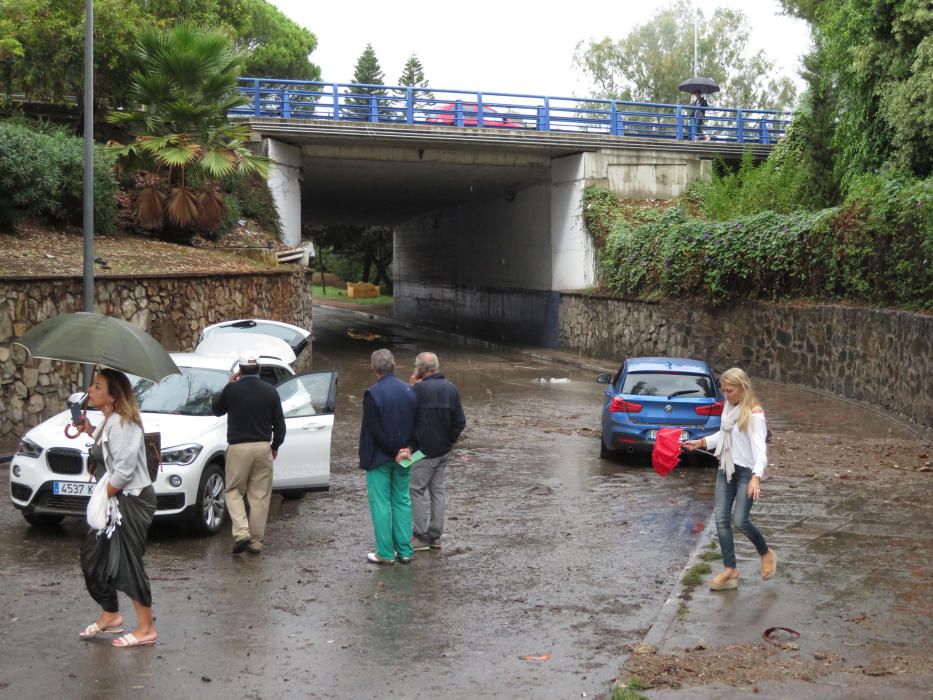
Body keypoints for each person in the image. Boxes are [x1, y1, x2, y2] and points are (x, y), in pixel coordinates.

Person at [78, 368, 158, 648]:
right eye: (92, 386)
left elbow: (124, 471)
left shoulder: (122, 422)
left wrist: (105, 494)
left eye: (97, 386)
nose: (90, 390)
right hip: (117, 497)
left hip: (131, 499)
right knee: (93, 557)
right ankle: (111, 614)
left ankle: (146, 628)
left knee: (127, 561)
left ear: (113, 396)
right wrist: (89, 430)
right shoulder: (109, 421)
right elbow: (111, 454)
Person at [684, 367, 776, 590]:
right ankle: (730, 570)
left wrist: (756, 477)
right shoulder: (729, 407)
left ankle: (765, 552)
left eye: (730, 391)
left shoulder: (754, 415)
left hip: (746, 473)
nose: (726, 395)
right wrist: (701, 443)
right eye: (723, 390)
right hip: (726, 468)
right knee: (721, 519)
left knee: (740, 520)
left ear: (742, 388)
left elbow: (760, 450)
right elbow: (723, 434)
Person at [211, 353, 286, 555]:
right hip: (263, 447)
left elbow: (216, 409)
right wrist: (275, 446)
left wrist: (228, 385)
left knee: (233, 491)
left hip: (238, 448)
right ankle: (256, 542)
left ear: (240, 371)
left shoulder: (232, 390)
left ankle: (242, 531)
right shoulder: (270, 392)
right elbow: (280, 425)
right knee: (259, 496)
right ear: (258, 369)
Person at [399, 352, 466, 551]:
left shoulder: (417, 390)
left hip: (423, 452)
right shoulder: (451, 389)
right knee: (437, 491)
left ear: (420, 370)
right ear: (436, 367)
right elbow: (460, 422)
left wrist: (411, 384)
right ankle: (436, 537)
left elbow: (405, 415)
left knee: (416, 490)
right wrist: (450, 441)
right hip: (443, 451)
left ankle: (420, 536)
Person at [359, 348, 418, 565]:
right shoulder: (411, 391)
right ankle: (405, 550)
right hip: (404, 457)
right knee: (402, 500)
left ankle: (385, 552)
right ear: (393, 365)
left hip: (379, 458)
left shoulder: (372, 394)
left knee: (381, 503)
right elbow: (417, 425)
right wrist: (407, 449)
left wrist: (393, 451)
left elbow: (374, 430)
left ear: (374, 368)